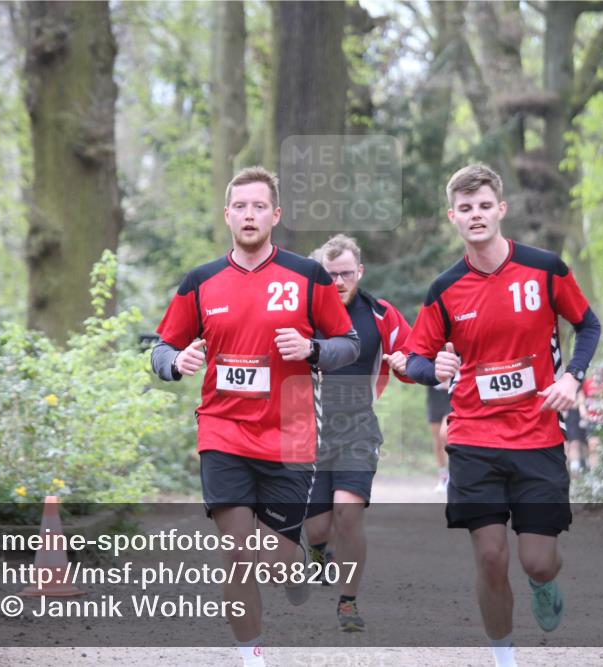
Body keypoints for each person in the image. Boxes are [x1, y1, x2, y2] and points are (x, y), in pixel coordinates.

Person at [151, 167, 360, 667]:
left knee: (273, 563)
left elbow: (348, 345)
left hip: (289, 438)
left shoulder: (307, 277)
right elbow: (162, 347)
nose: (249, 214)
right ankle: (251, 656)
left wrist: (311, 349)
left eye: (258, 206)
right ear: (227, 215)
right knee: (237, 554)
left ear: (275, 215)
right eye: (240, 206)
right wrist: (175, 363)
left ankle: (294, 568)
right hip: (222, 434)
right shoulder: (200, 281)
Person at [404, 164, 601, 667]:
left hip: (538, 435)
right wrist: (434, 368)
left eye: (484, 206)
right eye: (465, 209)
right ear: (453, 217)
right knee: (491, 556)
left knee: (538, 559)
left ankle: (544, 582)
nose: (476, 216)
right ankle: (503, 657)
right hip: (473, 436)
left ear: (501, 210)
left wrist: (571, 377)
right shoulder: (445, 289)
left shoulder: (544, 269)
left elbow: (588, 324)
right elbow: (414, 359)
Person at [302, 234, 413, 632]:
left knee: (349, 515)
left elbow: (414, 354)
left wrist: (406, 361)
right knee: (317, 527)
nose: (338, 281)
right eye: (329, 275)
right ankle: (316, 551)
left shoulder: (381, 314)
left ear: (359, 272)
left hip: (358, 429)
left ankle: (348, 601)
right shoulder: (301, 313)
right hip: (308, 432)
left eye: (346, 273)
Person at [427, 383, 452, 491]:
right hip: (435, 393)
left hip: (453, 393)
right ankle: (443, 477)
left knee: (445, 435)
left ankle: (454, 474)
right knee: (437, 441)